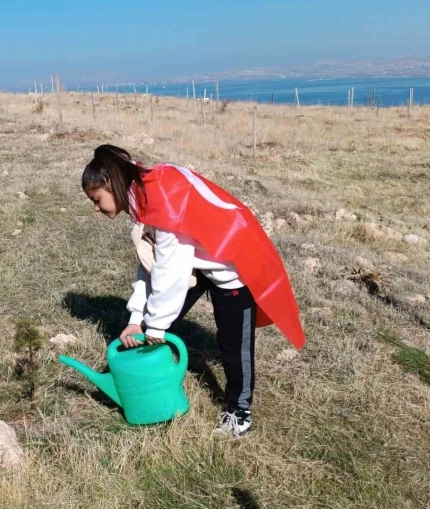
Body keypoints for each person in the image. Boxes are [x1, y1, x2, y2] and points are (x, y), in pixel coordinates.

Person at [81, 145, 305, 438]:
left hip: (233, 264)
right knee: (148, 326)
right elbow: (150, 265)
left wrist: (157, 325)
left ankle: (239, 412)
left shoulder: (161, 197)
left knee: (234, 347)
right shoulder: (141, 198)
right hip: (199, 265)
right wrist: (137, 318)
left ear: (112, 184)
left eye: (96, 200)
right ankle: (152, 388)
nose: (95, 208)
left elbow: (170, 270)